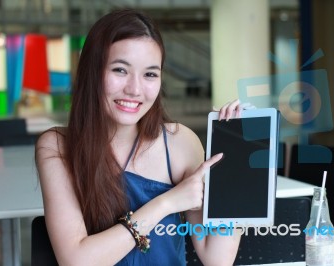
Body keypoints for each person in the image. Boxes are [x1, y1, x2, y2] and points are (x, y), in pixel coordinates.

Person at [36, 9, 243, 266]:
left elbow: (217, 259)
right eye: (120, 70)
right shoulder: (57, 147)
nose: (135, 89)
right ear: (92, 71)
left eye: (150, 74)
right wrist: (167, 203)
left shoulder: (180, 143)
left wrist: (236, 157)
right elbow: (77, 261)